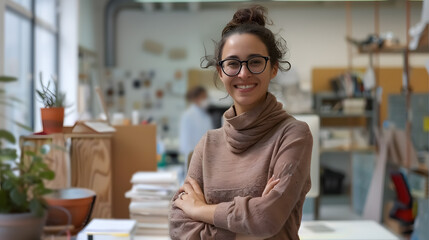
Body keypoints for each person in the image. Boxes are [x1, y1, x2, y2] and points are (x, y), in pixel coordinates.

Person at [169, 5, 312, 240]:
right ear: (221, 71)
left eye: (255, 62)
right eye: (233, 63)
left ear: (273, 68)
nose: (243, 74)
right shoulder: (208, 144)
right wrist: (250, 227)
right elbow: (179, 226)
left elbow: (268, 217)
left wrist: (201, 210)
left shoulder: (293, 134)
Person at [179, 86, 214, 170]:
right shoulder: (188, 115)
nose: (206, 99)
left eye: (206, 97)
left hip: (207, 158)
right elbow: (185, 143)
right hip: (193, 159)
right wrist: (193, 158)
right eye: (203, 97)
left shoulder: (206, 116)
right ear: (196, 98)